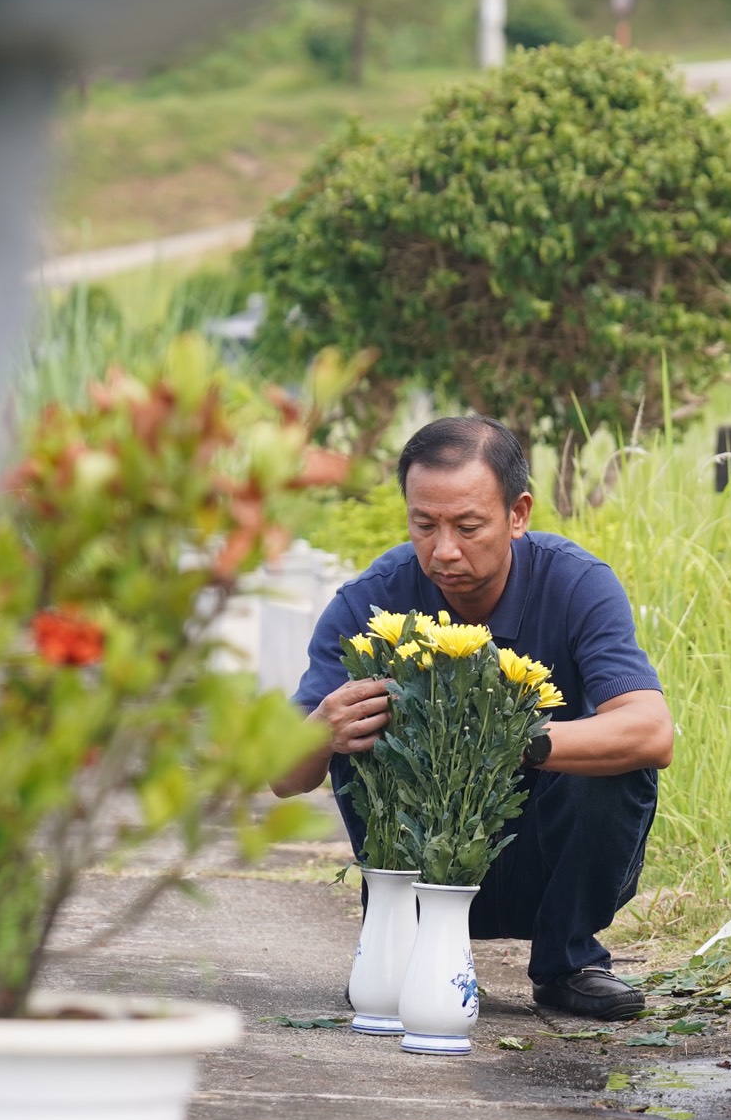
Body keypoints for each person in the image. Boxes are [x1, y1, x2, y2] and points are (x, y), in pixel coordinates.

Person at [276, 416, 674, 1021]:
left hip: (544, 861)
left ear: (518, 514)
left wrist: (514, 739)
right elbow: (283, 777)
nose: (444, 550)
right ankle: (400, 949)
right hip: (413, 867)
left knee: (617, 763)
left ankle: (568, 961)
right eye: (423, 524)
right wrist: (321, 733)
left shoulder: (577, 585)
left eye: (467, 526)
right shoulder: (369, 601)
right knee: (358, 727)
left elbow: (652, 730)